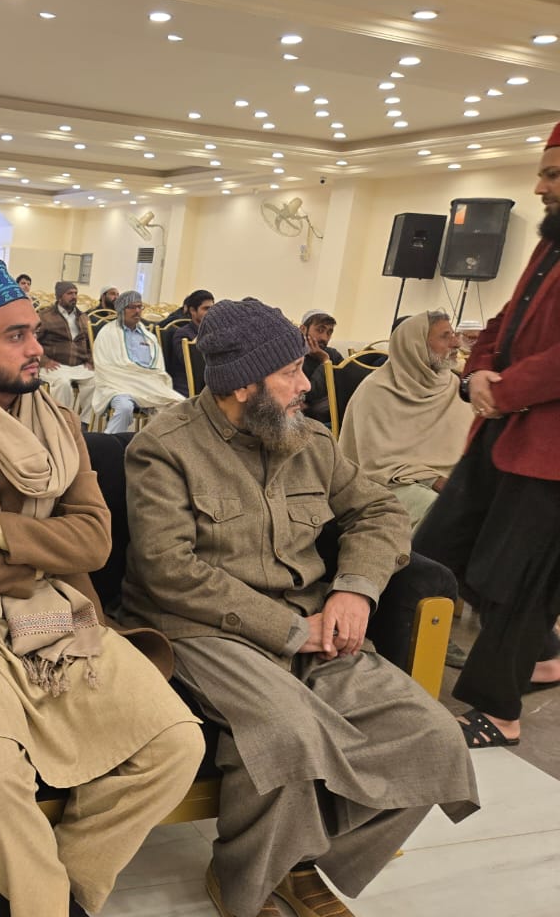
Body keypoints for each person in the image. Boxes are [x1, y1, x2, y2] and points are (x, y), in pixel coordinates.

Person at [122, 297, 478, 917]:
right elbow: (168, 570)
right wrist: (290, 629)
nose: (306, 384)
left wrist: (355, 589)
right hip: (205, 629)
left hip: (315, 619)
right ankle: (247, 883)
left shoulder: (310, 440)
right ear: (242, 385)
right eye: (289, 372)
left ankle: (298, 858)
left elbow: (379, 511)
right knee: (287, 733)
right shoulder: (165, 448)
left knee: (433, 735)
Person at [0, 258, 203, 917]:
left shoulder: (61, 425)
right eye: (16, 336)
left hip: (59, 614)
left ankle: (52, 899)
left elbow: (95, 542)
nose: (36, 349)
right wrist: (43, 559)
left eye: (36, 333)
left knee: (176, 743)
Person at [412, 123, 560, 749]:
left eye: (552, 174)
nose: (540, 187)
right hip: (500, 435)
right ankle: (544, 654)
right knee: (440, 546)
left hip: (548, 454)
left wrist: (504, 389)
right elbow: (506, 319)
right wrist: (476, 371)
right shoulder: (549, 243)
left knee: (518, 580)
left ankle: (499, 713)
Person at [339, 311, 472, 528]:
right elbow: (376, 465)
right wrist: (433, 480)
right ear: (416, 345)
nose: (456, 343)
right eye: (445, 336)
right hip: (387, 485)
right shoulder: (377, 391)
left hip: (452, 482)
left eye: (454, 334)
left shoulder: (452, 387)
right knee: (440, 511)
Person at [91, 290, 182, 433]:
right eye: (132, 307)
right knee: (124, 407)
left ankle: (154, 444)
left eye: (140, 307)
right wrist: (136, 379)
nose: (137, 311)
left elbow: (159, 369)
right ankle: (109, 443)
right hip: (118, 386)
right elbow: (104, 368)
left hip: (149, 386)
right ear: (121, 310)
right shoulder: (107, 334)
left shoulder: (149, 337)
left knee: (179, 406)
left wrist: (147, 379)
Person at [35, 281, 94, 415]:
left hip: (79, 364)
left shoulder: (83, 317)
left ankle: (84, 422)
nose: (74, 296)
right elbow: (33, 341)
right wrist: (44, 361)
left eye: (75, 293)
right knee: (63, 384)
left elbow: (89, 343)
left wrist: (90, 360)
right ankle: (63, 420)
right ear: (59, 296)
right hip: (55, 364)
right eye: (69, 293)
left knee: (95, 382)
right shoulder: (45, 316)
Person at [166, 290, 215, 395]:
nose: (211, 313)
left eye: (212, 308)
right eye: (206, 309)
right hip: (188, 386)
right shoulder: (182, 334)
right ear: (192, 310)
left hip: (208, 383)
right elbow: (191, 364)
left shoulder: (213, 332)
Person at [299, 309, 343, 424]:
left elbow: (345, 389)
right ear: (303, 329)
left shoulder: (333, 354)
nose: (324, 338)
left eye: (329, 332)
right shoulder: (294, 356)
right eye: (320, 330)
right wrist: (325, 362)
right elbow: (309, 395)